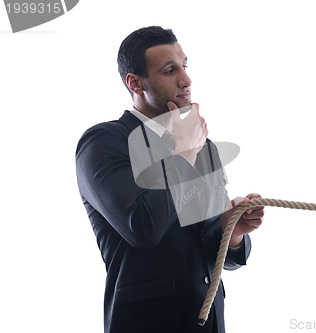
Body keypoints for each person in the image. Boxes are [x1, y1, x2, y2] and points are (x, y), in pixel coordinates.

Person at [75, 26, 264, 333]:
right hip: (145, 324)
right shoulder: (103, 142)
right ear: (135, 83)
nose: (186, 80)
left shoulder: (204, 146)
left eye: (185, 66)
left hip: (208, 323)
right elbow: (143, 227)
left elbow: (211, 253)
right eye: (169, 70)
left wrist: (232, 230)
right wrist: (183, 154)